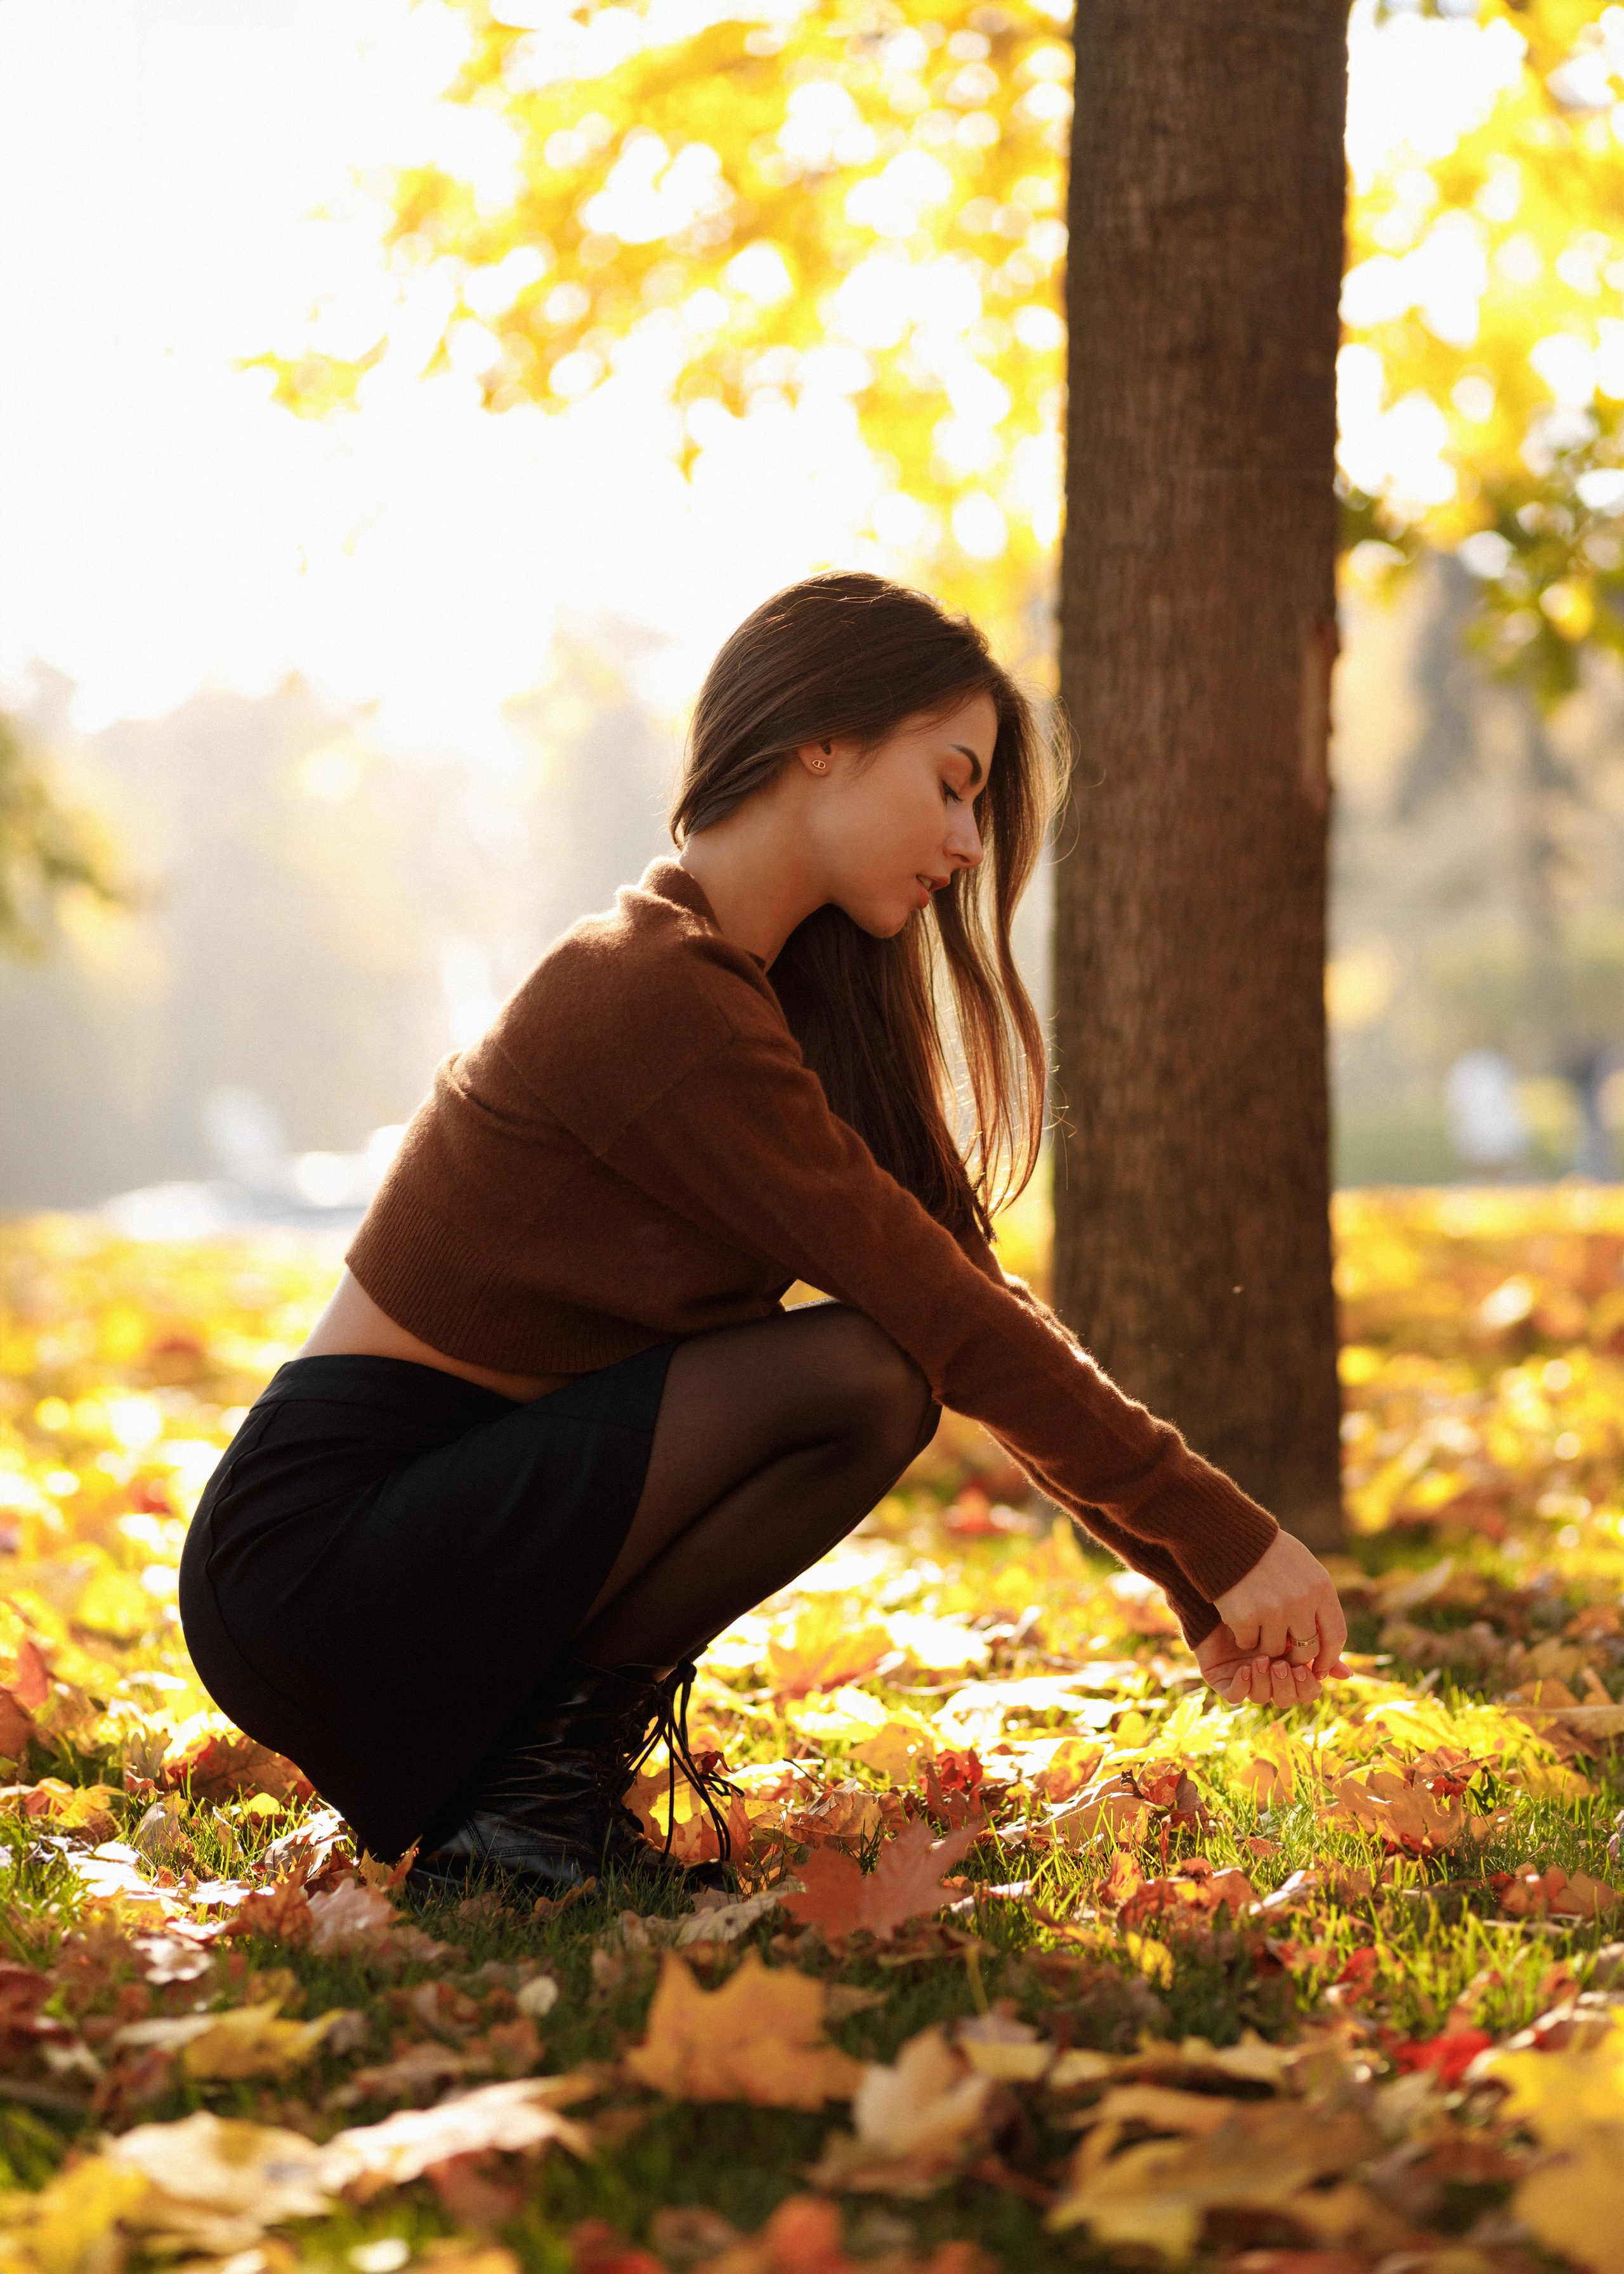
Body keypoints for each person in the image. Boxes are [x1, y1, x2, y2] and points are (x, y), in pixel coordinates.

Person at [178, 571, 1349, 1900]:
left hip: (451, 1528)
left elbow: (971, 1297)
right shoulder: (647, 990)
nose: (969, 842)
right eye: (953, 780)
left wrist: (1199, 1578)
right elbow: (943, 1323)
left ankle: (526, 1794)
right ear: (824, 739)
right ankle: (526, 1798)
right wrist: (1225, 1532)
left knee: (885, 1364)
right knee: (865, 1373)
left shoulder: (781, 1004)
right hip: (319, 1559)